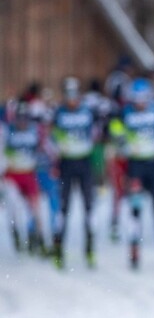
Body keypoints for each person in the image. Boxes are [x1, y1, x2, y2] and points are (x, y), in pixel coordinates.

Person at [109, 78, 154, 269]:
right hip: (135, 166)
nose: (141, 102)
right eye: (137, 99)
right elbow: (113, 127)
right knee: (136, 209)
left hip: (153, 165)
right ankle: (134, 251)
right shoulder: (126, 112)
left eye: (144, 98)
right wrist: (120, 135)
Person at [51, 77, 99, 269]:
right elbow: (49, 136)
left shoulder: (88, 111)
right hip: (66, 164)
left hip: (85, 163)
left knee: (89, 208)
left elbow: (98, 133)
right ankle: (58, 249)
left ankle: (90, 249)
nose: (72, 99)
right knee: (63, 209)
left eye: (75, 94)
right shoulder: (58, 113)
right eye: (68, 94)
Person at [1, 101, 50, 255]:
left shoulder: (35, 131)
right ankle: (15, 232)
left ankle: (39, 238)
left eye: (24, 118)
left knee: (36, 208)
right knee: (14, 206)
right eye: (19, 118)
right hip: (12, 175)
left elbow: (44, 149)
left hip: (29, 173)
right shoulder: (7, 131)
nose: (22, 121)